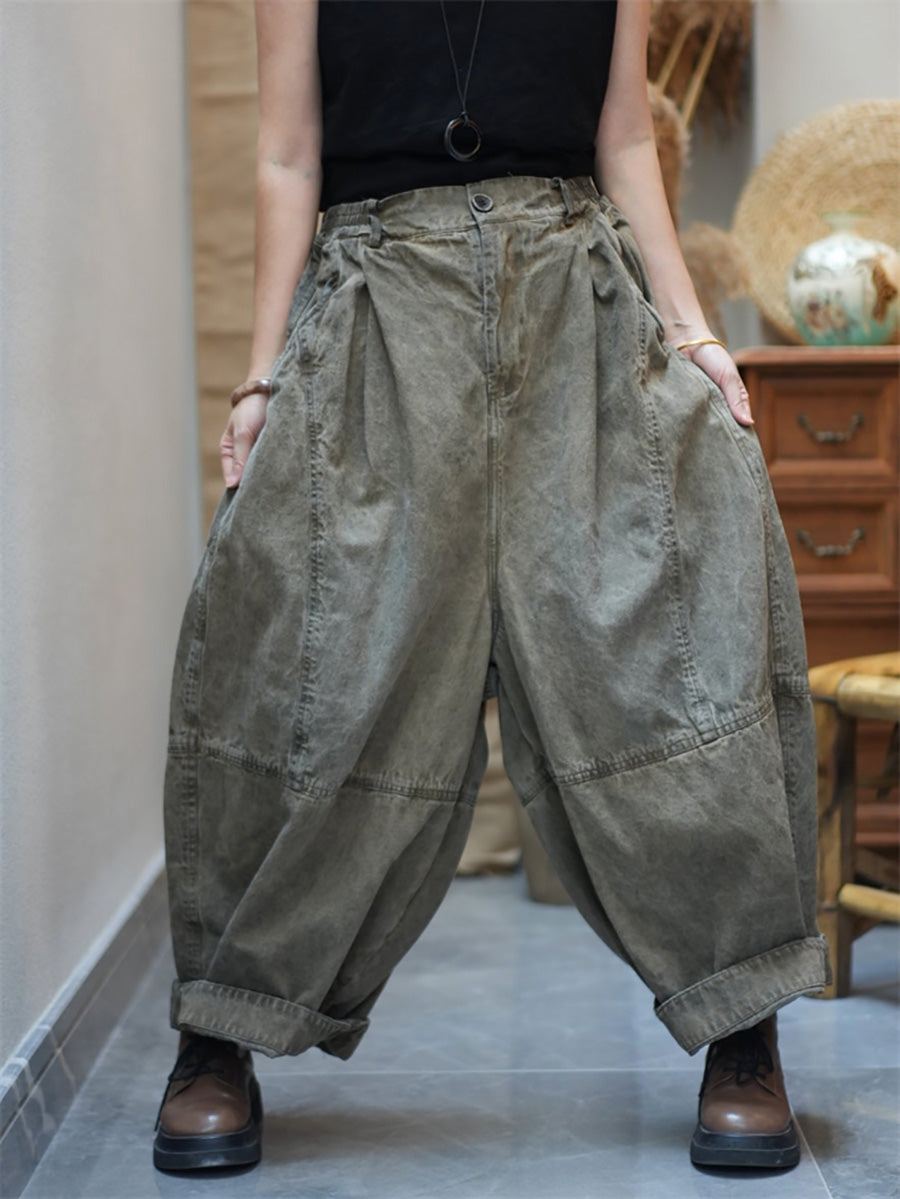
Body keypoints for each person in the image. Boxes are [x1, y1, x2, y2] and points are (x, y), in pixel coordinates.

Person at [153, 0, 830, 1175]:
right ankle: (221, 1025)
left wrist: (692, 333)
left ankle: (742, 1020)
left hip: (580, 302)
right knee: (301, 660)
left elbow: (625, 138)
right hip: (376, 308)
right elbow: (287, 154)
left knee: (673, 646)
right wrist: (261, 377)